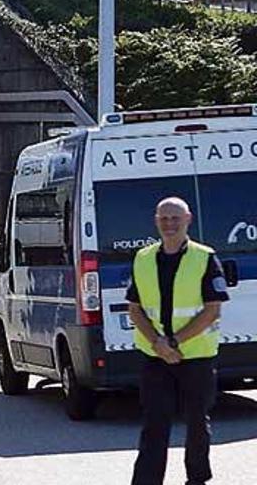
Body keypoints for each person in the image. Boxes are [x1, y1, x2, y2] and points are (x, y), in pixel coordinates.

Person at [128, 197, 229, 485]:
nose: (169, 224)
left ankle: (197, 479)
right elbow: (134, 309)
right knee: (154, 424)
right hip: (155, 358)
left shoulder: (205, 257)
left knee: (196, 422)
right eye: (164, 219)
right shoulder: (143, 258)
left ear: (188, 220)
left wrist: (173, 342)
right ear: (156, 221)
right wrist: (158, 344)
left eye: (175, 218)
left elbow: (212, 309)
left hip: (195, 356)